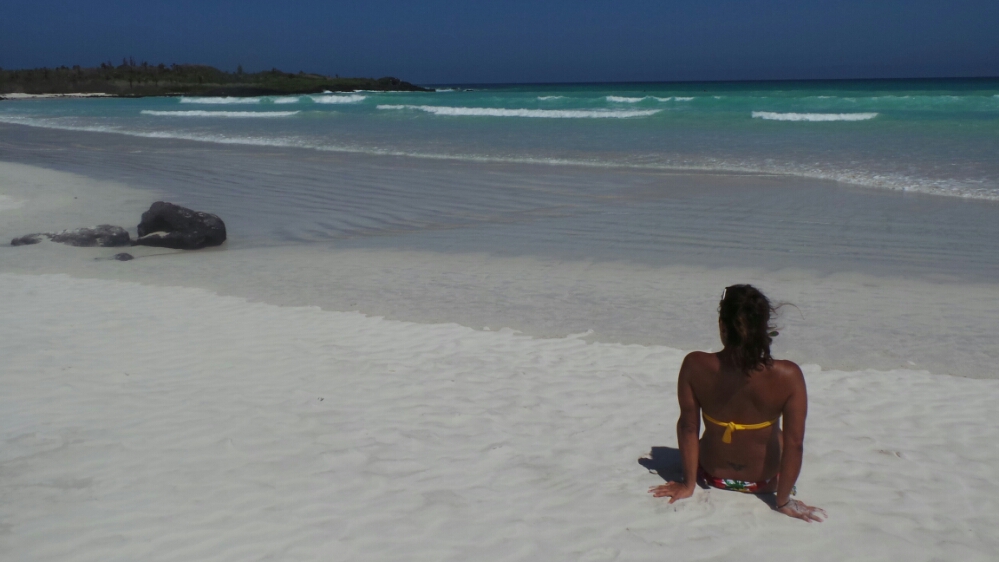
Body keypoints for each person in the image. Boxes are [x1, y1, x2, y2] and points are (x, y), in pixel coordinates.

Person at [648, 285, 826, 522]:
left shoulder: (695, 365)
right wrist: (783, 501)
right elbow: (796, 445)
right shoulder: (788, 375)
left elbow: (688, 427)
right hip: (766, 482)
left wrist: (688, 484)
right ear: (764, 328)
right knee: (783, 437)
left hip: (711, 475)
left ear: (723, 327)